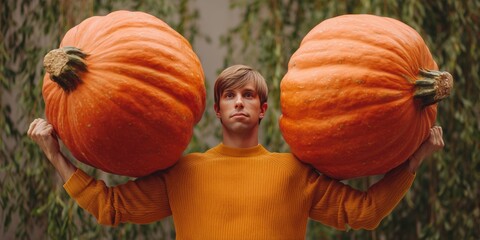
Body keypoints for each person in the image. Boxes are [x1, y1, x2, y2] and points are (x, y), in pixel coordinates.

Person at [28, 65, 444, 239]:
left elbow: (365, 213)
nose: (240, 102)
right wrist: (54, 153)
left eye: (248, 95)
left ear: (264, 109)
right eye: (230, 96)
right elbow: (110, 207)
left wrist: (417, 155)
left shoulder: (294, 171)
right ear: (217, 109)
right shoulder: (185, 172)